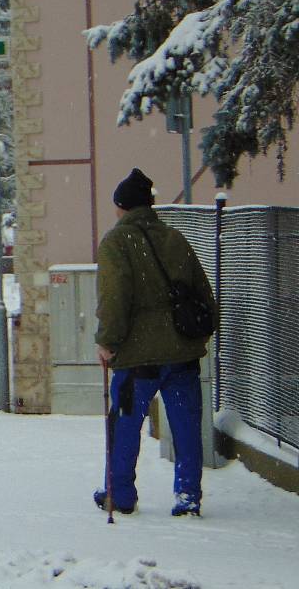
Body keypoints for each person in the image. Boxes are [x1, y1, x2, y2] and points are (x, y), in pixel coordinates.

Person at [93, 168, 216, 517]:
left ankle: (120, 494)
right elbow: (204, 296)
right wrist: (192, 339)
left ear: (123, 207)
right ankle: (188, 495)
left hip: (137, 361)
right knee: (187, 428)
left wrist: (107, 342)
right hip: (182, 355)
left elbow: (115, 299)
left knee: (125, 428)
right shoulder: (175, 238)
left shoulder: (116, 243)